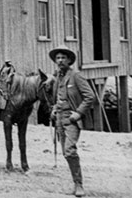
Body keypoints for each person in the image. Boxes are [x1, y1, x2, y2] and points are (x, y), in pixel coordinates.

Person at [50, 45, 95, 197]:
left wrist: (78, 113)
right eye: (58, 58)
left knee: (70, 150)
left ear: (69, 60)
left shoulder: (76, 75)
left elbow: (90, 96)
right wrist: (54, 108)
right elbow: (58, 97)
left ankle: (79, 185)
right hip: (59, 119)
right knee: (65, 152)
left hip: (72, 119)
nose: (60, 60)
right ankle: (76, 182)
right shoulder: (57, 77)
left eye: (63, 57)